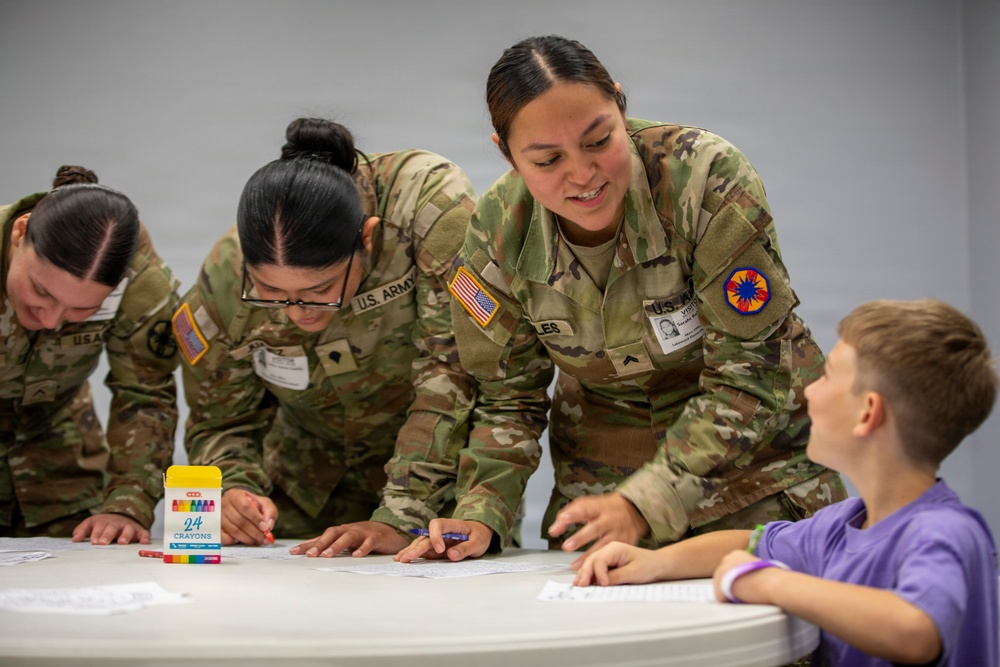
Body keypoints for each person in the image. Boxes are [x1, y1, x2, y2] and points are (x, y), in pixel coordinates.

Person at [397, 35, 846, 565]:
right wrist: (481, 508)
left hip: (750, 478)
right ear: (507, 154)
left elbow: (751, 370)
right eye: (547, 160)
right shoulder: (496, 234)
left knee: (758, 643)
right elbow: (505, 397)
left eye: (598, 140)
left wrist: (648, 501)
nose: (583, 175)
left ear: (619, 103)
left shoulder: (702, 179)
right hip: (603, 489)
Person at [575, 299, 998, 667]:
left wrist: (768, 582)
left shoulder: (945, 533)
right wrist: (653, 563)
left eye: (828, 375)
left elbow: (915, 630)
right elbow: (751, 543)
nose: (810, 389)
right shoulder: (842, 524)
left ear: (868, 413)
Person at [176, 118, 477, 552]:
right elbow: (220, 420)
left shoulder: (423, 208)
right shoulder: (224, 283)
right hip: (302, 492)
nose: (298, 312)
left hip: (438, 487)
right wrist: (231, 490)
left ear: (368, 239)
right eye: (273, 291)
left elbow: (453, 368)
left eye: (319, 291)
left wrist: (404, 513)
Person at [0, 165, 180, 544]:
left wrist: (126, 504)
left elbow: (145, 395)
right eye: (41, 291)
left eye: (80, 310)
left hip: (60, 475)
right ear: (19, 233)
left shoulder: (138, 279)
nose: (50, 321)